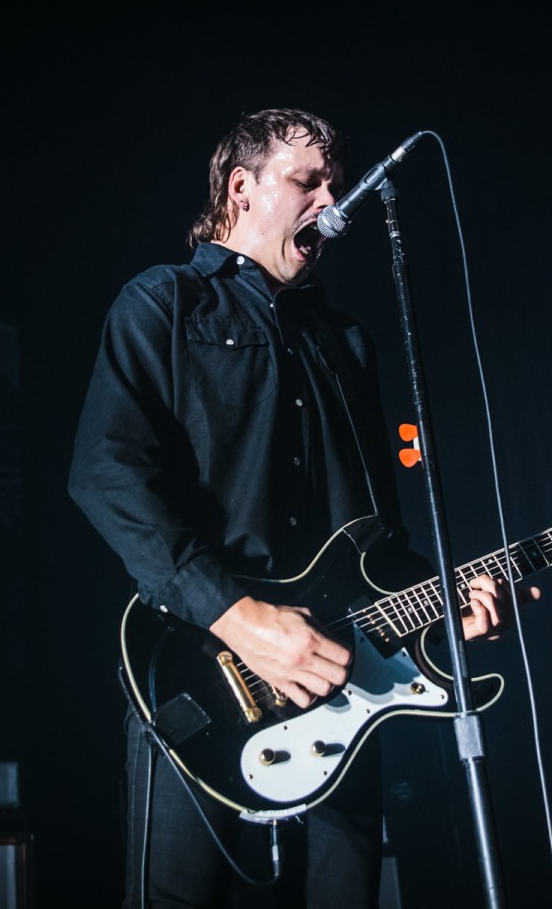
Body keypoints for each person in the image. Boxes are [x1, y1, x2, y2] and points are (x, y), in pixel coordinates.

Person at [67, 108, 512, 908]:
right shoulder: (164, 302)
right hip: (203, 664)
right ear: (242, 189)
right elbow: (106, 472)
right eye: (308, 182)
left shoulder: (345, 341)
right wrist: (235, 616)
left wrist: (440, 612)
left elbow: (379, 535)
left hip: (347, 676)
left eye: (335, 185)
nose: (332, 202)